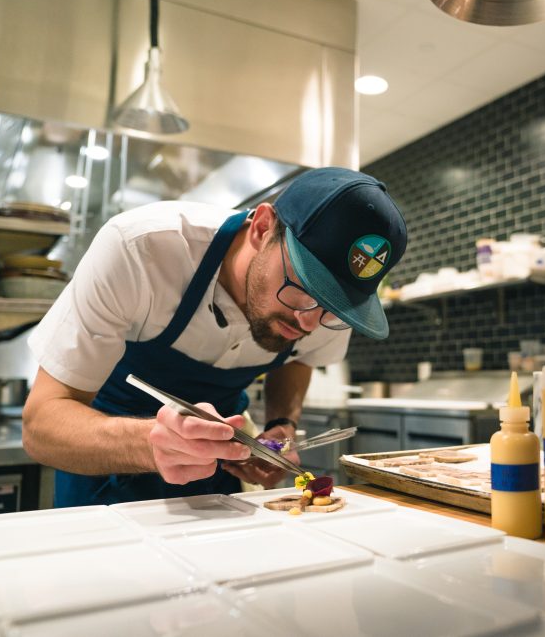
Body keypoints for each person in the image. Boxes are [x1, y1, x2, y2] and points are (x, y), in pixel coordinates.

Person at [23, 167, 407, 507]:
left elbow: (300, 358)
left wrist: (282, 425)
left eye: (332, 309)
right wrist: (151, 442)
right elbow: (41, 425)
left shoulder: (320, 315)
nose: (309, 324)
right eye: (302, 290)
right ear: (261, 228)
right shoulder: (141, 250)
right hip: (104, 483)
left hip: (217, 491)